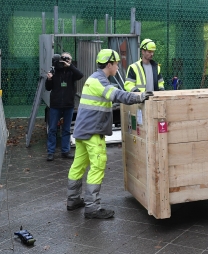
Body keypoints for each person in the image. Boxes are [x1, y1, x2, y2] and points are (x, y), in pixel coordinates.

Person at [66, 49, 151, 219]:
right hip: (92, 131)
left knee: (78, 165)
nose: (118, 66)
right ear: (109, 64)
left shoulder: (94, 79)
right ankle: (92, 208)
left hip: (83, 130)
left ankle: (73, 200)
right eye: (117, 63)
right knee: (98, 165)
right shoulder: (100, 82)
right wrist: (139, 97)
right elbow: (117, 95)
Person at [45, 52, 83, 162]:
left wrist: (70, 66)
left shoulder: (72, 72)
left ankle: (65, 151)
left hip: (68, 104)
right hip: (55, 105)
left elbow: (80, 75)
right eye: (64, 59)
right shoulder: (55, 71)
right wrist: (49, 79)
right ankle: (50, 152)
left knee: (66, 129)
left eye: (69, 59)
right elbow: (48, 88)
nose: (66, 61)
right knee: (52, 129)